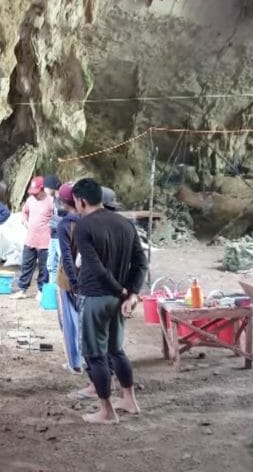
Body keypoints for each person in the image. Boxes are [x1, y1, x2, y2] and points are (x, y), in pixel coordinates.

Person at [71, 178, 146, 424]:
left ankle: (106, 411)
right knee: (116, 350)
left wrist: (123, 291)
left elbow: (95, 268)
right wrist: (131, 293)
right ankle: (129, 400)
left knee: (95, 355)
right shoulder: (125, 224)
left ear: (80, 201)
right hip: (118, 300)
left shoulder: (84, 227)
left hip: (95, 297)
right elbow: (140, 262)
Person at [56, 182, 84, 374]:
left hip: (68, 280)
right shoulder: (89, 220)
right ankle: (85, 360)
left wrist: (72, 281)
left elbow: (66, 256)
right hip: (87, 279)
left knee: (69, 323)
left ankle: (74, 363)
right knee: (83, 320)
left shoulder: (66, 224)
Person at [11, 176, 52, 300]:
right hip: (30, 239)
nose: (34, 194)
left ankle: (41, 290)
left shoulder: (51, 201)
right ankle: (22, 289)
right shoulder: (30, 200)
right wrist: (24, 221)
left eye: (36, 192)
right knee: (26, 265)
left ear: (42, 189)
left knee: (44, 267)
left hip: (45, 241)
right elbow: (25, 212)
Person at [44, 174, 62, 287]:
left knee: (62, 263)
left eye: (46, 187)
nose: (44, 189)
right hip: (53, 235)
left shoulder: (63, 199)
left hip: (61, 236)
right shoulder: (53, 199)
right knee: (51, 264)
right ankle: (52, 287)